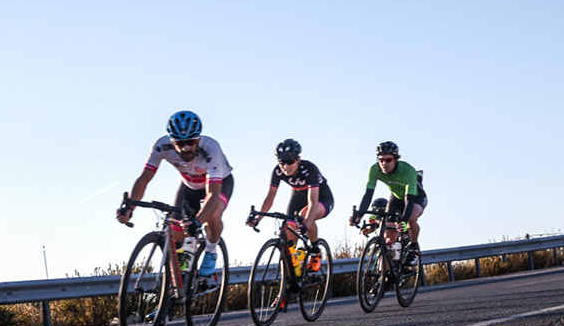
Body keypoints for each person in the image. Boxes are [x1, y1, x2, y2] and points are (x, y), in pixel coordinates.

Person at [117, 110, 233, 277]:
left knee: (212, 215)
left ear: (198, 138)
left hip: (220, 183)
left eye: (191, 141)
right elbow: (144, 179)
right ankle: (182, 276)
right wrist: (130, 208)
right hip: (189, 185)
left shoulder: (211, 148)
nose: (185, 147)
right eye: (180, 143)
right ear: (172, 141)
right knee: (176, 228)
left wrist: (198, 222)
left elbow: (212, 196)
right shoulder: (161, 146)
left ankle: (211, 250)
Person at [249, 139, 333, 269]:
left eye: (290, 162)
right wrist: (258, 218)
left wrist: (306, 223)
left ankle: (315, 251)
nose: (285, 166)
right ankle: (291, 281)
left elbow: (312, 202)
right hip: (298, 197)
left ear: (298, 159)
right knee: (289, 243)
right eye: (282, 162)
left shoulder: (309, 169)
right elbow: (269, 198)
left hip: (321, 198)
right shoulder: (278, 171)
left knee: (304, 215)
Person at [349, 141, 426, 264]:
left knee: (411, 218)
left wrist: (404, 222)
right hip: (395, 198)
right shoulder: (375, 170)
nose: (384, 164)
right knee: (388, 237)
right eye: (381, 160)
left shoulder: (407, 171)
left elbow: (409, 200)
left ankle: (413, 247)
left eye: (388, 160)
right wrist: (359, 215)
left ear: (395, 159)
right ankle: (388, 273)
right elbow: (368, 195)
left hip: (415, 197)